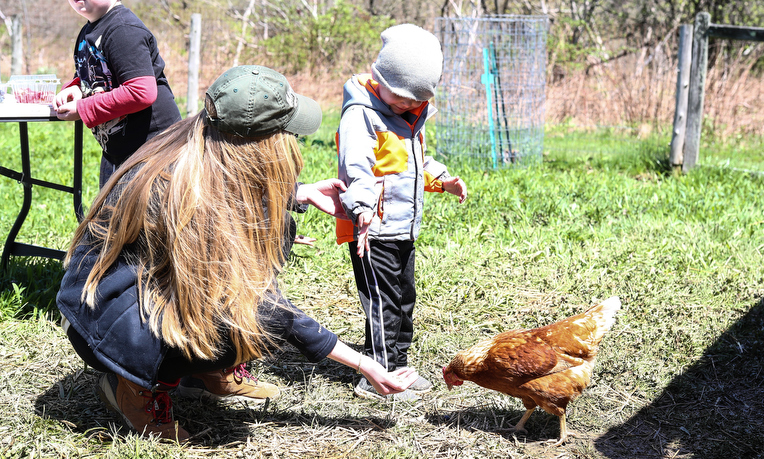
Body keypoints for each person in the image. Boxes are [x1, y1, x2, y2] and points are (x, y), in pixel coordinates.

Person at [56, 65, 418, 443]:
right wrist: (364, 363)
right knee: (259, 318)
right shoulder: (186, 199)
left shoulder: (195, 145)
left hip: (120, 299)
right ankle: (134, 390)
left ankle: (202, 370)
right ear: (254, 143)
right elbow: (273, 309)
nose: (290, 139)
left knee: (254, 271)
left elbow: (232, 199)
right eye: (284, 130)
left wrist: (297, 193)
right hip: (101, 324)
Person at [335, 24, 468, 401]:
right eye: (402, 100)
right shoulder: (363, 114)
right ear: (379, 78)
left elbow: (410, 164)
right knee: (382, 302)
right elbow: (356, 169)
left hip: (402, 228)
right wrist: (360, 209)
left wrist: (442, 180)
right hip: (370, 228)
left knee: (403, 298)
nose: (408, 107)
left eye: (416, 101)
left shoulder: (410, 115)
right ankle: (375, 376)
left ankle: (398, 365)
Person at [54, 0, 182, 187]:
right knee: (111, 215)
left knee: (149, 216)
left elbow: (140, 92)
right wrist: (76, 87)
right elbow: (91, 73)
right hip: (116, 152)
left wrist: (83, 109)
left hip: (154, 151)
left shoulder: (123, 30)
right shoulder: (88, 32)